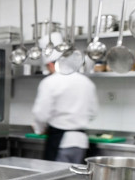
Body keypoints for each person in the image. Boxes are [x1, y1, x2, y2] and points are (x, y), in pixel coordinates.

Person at [32, 34, 98, 164]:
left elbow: (40, 114)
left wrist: (39, 129)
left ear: (50, 64)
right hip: (81, 143)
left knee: (57, 176)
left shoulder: (49, 82)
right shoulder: (86, 82)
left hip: (60, 142)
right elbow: (93, 113)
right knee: (76, 176)